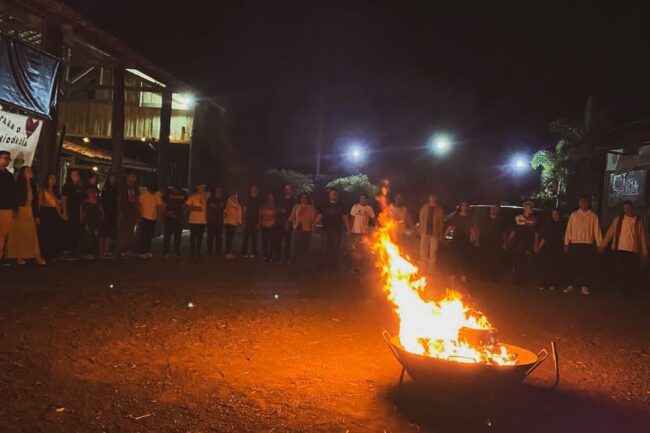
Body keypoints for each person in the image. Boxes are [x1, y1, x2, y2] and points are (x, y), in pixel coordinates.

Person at [601, 201, 648, 296]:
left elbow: (642, 236)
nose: (627, 210)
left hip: (632, 249)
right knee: (621, 270)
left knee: (630, 270)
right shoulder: (618, 219)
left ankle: (628, 289)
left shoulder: (638, 220)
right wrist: (603, 245)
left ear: (632, 208)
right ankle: (622, 290)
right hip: (620, 248)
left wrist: (645, 251)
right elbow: (610, 232)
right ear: (623, 209)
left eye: (629, 207)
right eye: (625, 208)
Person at [5, 166, 45, 265]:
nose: (30, 172)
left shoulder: (33, 184)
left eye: (30, 170)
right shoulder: (18, 184)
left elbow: (35, 201)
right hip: (20, 210)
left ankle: (34, 255)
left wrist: (37, 215)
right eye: (28, 171)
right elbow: (14, 197)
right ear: (23, 173)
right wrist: (14, 209)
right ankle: (19, 256)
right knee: (19, 233)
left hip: (29, 210)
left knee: (31, 233)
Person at [563, 196, 603, 295]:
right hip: (575, 243)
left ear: (588, 203)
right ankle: (570, 285)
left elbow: (596, 230)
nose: (583, 204)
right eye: (581, 202)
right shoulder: (574, 215)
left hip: (587, 244)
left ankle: (584, 286)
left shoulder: (593, 216)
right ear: (579, 203)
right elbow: (569, 229)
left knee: (586, 266)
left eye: (585, 202)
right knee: (573, 265)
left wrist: (599, 244)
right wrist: (566, 243)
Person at [315, 188, 350, 270]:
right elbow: (320, 215)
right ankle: (323, 264)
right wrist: (314, 224)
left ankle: (333, 265)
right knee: (324, 248)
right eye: (331, 193)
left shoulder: (341, 205)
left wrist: (348, 228)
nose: (333, 195)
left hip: (336, 231)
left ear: (337, 195)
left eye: (334, 193)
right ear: (329, 195)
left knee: (335, 248)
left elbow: (345, 217)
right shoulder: (325, 204)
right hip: (326, 230)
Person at [508, 201, 539, 286]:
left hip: (527, 244)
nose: (530, 209)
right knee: (517, 262)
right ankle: (517, 279)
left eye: (531, 208)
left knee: (525, 262)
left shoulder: (534, 220)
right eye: (529, 208)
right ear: (524, 208)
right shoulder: (518, 218)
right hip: (517, 243)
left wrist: (536, 245)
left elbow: (536, 233)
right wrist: (509, 240)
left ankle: (522, 279)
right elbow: (514, 230)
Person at [475, 203, 507, 281]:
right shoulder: (484, 219)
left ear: (498, 210)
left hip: (496, 242)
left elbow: (504, 233)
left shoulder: (501, 221)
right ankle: (482, 276)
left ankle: (494, 277)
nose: (493, 209)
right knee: (483, 259)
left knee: (495, 260)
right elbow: (478, 230)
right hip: (484, 241)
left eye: (495, 208)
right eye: (492, 208)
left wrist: (505, 242)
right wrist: (477, 240)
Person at [445, 201, 475, 283]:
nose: (464, 207)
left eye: (465, 206)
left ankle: (463, 275)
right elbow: (451, 226)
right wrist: (445, 235)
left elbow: (472, 229)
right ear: (460, 207)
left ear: (467, 207)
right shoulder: (456, 216)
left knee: (464, 258)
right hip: (456, 239)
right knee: (454, 257)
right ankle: (453, 274)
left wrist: (474, 237)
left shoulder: (470, 217)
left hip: (465, 239)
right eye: (462, 206)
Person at [536, 208, 565, 291]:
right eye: (553, 214)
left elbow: (564, 237)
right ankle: (543, 283)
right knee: (545, 266)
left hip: (557, 247)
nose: (555, 215)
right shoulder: (548, 224)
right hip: (547, 248)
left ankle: (552, 283)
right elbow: (544, 237)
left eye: (557, 213)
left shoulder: (562, 225)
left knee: (554, 266)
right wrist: (539, 246)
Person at [38, 173, 64, 260]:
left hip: (54, 213)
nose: (53, 180)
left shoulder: (56, 191)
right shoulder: (43, 190)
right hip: (46, 212)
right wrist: (38, 215)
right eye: (51, 178)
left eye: (54, 179)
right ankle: (45, 253)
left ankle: (53, 253)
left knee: (54, 233)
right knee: (46, 233)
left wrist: (61, 215)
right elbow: (39, 203)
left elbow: (57, 205)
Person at [418, 194, 445, 276]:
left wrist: (440, 234)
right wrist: (420, 230)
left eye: (434, 197)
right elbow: (420, 218)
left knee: (433, 253)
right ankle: (423, 270)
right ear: (429, 198)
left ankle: (430, 272)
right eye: (431, 197)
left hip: (435, 234)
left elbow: (441, 223)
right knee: (423, 252)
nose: (432, 199)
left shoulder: (439, 209)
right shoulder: (424, 208)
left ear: (436, 198)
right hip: (424, 233)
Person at [349, 193, 376, 273]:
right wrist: (349, 229)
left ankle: (359, 267)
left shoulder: (369, 208)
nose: (362, 200)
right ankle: (354, 266)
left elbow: (373, 218)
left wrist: (377, 226)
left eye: (364, 198)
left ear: (366, 200)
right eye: (361, 198)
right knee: (355, 250)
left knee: (362, 250)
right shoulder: (355, 207)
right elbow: (352, 219)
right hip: (355, 232)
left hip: (364, 232)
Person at [288, 192, 317, 267]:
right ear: (300, 199)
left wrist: (305, 213)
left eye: (305, 198)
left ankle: (304, 262)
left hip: (307, 229)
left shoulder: (311, 208)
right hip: (297, 228)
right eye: (302, 197)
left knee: (305, 246)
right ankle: (296, 260)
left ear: (307, 199)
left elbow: (312, 218)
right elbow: (292, 216)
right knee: (297, 245)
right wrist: (288, 221)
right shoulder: (296, 206)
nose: (303, 199)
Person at [61, 169, 84, 259]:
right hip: (69, 210)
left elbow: (81, 202)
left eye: (77, 175)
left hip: (77, 211)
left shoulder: (80, 187)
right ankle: (67, 250)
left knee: (76, 230)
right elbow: (64, 200)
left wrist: (81, 214)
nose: (75, 176)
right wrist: (65, 212)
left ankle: (74, 250)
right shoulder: (66, 186)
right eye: (73, 175)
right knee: (69, 230)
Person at [117, 173, 140, 257]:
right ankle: (122, 248)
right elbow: (119, 199)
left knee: (131, 230)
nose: (133, 178)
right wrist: (119, 211)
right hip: (125, 211)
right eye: (131, 176)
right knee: (124, 230)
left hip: (132, 211)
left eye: (134, 177)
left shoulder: (135, 188)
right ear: (127, 177)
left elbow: (137, 200)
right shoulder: (123, 187)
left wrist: (138, 212)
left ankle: (127, 248)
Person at [0, 151, 17, 262]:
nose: (7, 161)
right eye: (5, 158)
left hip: (6, 208)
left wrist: (13, 208)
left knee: (2, 235)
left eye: (8, 159)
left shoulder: (9, 175)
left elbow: (12, 193)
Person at [162, 185, 187, 258]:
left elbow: (186, 203)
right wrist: (166, 212)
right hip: (169, 217)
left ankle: (177, 252)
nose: (177, 192)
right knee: (167, 236)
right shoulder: (167, 192)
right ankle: (165, 252)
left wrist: (184, 211)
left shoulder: (183, 193)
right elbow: (163, 203)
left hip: (179, 217)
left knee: (178, 236)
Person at [138, 184, 163, 258]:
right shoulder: (144, 195)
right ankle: (142, 252)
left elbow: (159, 206)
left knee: (150, 235)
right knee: (143, 235)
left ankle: (147, 251)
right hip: (144, 217)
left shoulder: (156, 195)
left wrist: (159, 217)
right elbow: (138, 204)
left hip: (153, 218)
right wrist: (139, 215)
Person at [185, 182, 207, 258]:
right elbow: (186, 207)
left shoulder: (204, 198)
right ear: (197, 187)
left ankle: (198, 251)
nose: (203, 188)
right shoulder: (193, 197)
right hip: (194, 220)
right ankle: (191, 252)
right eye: (202, 187)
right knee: (193, 236)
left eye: (204, 187)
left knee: (200, 237)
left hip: (202, 220)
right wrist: (194, 208)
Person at [99, 174, 118, 258]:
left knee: (109, 231)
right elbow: (101, 202)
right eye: (111, 178)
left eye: (114, 178)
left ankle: (107, 249)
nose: (113, 179)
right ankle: (101, 249)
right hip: (105, 211)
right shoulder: (105, 189)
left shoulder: (114, 189)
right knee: (103, 231)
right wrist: (102, 212)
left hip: (112, 212)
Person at [81, 186, 103, 259]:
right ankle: (87, 252)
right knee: (88, 237)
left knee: (95, 237)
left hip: (96, 222)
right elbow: (84, 214)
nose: (93, 195)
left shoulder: (97, 203)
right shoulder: (85, 203)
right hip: (89, 222)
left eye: (95, 193)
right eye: (91, 193)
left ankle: (94, 252)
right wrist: (85, 223)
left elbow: (100, 213)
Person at [277, 184, 296, 264]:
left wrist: (288, 222)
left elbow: (294, 212)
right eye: (286, 188)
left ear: (291, 190)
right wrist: (280, 210)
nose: (287, 190)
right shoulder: (281, 199)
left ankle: (286, 258)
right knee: (279, 241)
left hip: (288, 223)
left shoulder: (294, 200)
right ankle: (279, 258)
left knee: (287, 242)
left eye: (288, 188)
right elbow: (278, 208)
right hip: (280, 222)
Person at [241, 184, 261, 259]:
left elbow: (260, 211)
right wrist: (243, 222)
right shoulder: (247, 198)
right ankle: (244, 252)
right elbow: (244, 210)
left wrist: (259, 222)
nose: (254, 190)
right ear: (251, 189)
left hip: (255, 222)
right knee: (245, 237)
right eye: (253, 188)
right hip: (247, 221)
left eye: (256, 189)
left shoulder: (259, 199)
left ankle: (254, 253)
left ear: (257, 190)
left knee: (254, 238)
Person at [260, 192, 280, 262]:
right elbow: (261, 214)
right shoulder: (264, 206)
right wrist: (260, 223)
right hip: (264, 225)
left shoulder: (276, 207)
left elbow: (277, 216)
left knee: (272, 242)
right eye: (269, 197)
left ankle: (271, 256)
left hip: (272, 226)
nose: (270, 198)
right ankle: (265, 255)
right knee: (265, 241)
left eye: (272, 197)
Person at [206, 186, 226, 256]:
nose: (219, 191)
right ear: (215, 191)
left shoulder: (223, 199)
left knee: (219, 237)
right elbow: (206, 207)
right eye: (218, 190)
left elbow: (225, 209)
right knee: (210, 236)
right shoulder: (211, 198)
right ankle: (209, 250)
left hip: (220, 221)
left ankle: (218, 251)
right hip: (211, 220)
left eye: (220, 190)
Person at [223, 192, 242, 259]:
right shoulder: (229, 202)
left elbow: (239, 214)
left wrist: (239, 222)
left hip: (234, 223)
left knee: (231, 238)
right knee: (228, 238)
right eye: (233, 195)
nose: (234, 197)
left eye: (236, 196)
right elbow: (225, 212)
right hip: (228, 222)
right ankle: (227, 252)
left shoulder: (238, 205)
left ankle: (229, 251)